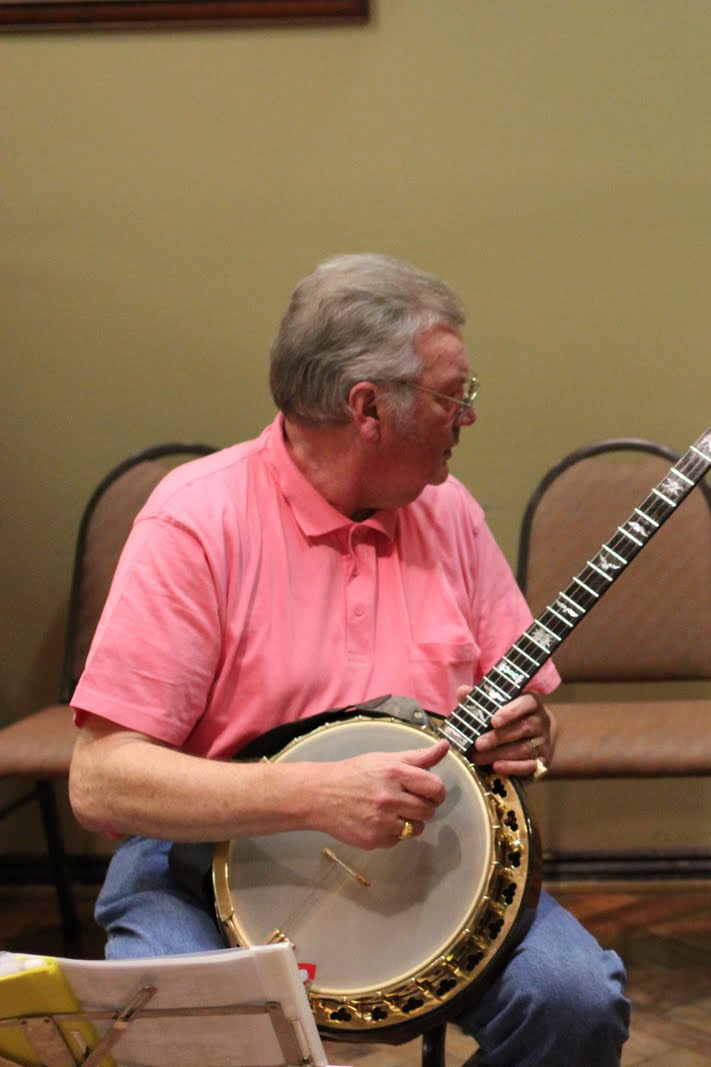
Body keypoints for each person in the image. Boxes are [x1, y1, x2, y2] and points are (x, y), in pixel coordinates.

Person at [68, 254, 630, 1066]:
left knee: (575, 999)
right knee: (187, 1032)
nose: (468, 415)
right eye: (452, 395)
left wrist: (531, 734)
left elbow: (528, 718)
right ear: (368, 408)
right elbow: (100, 780)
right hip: (202, 858)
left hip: (425, 850)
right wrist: (314, 795)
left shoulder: (448, 510)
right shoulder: (195, 520)